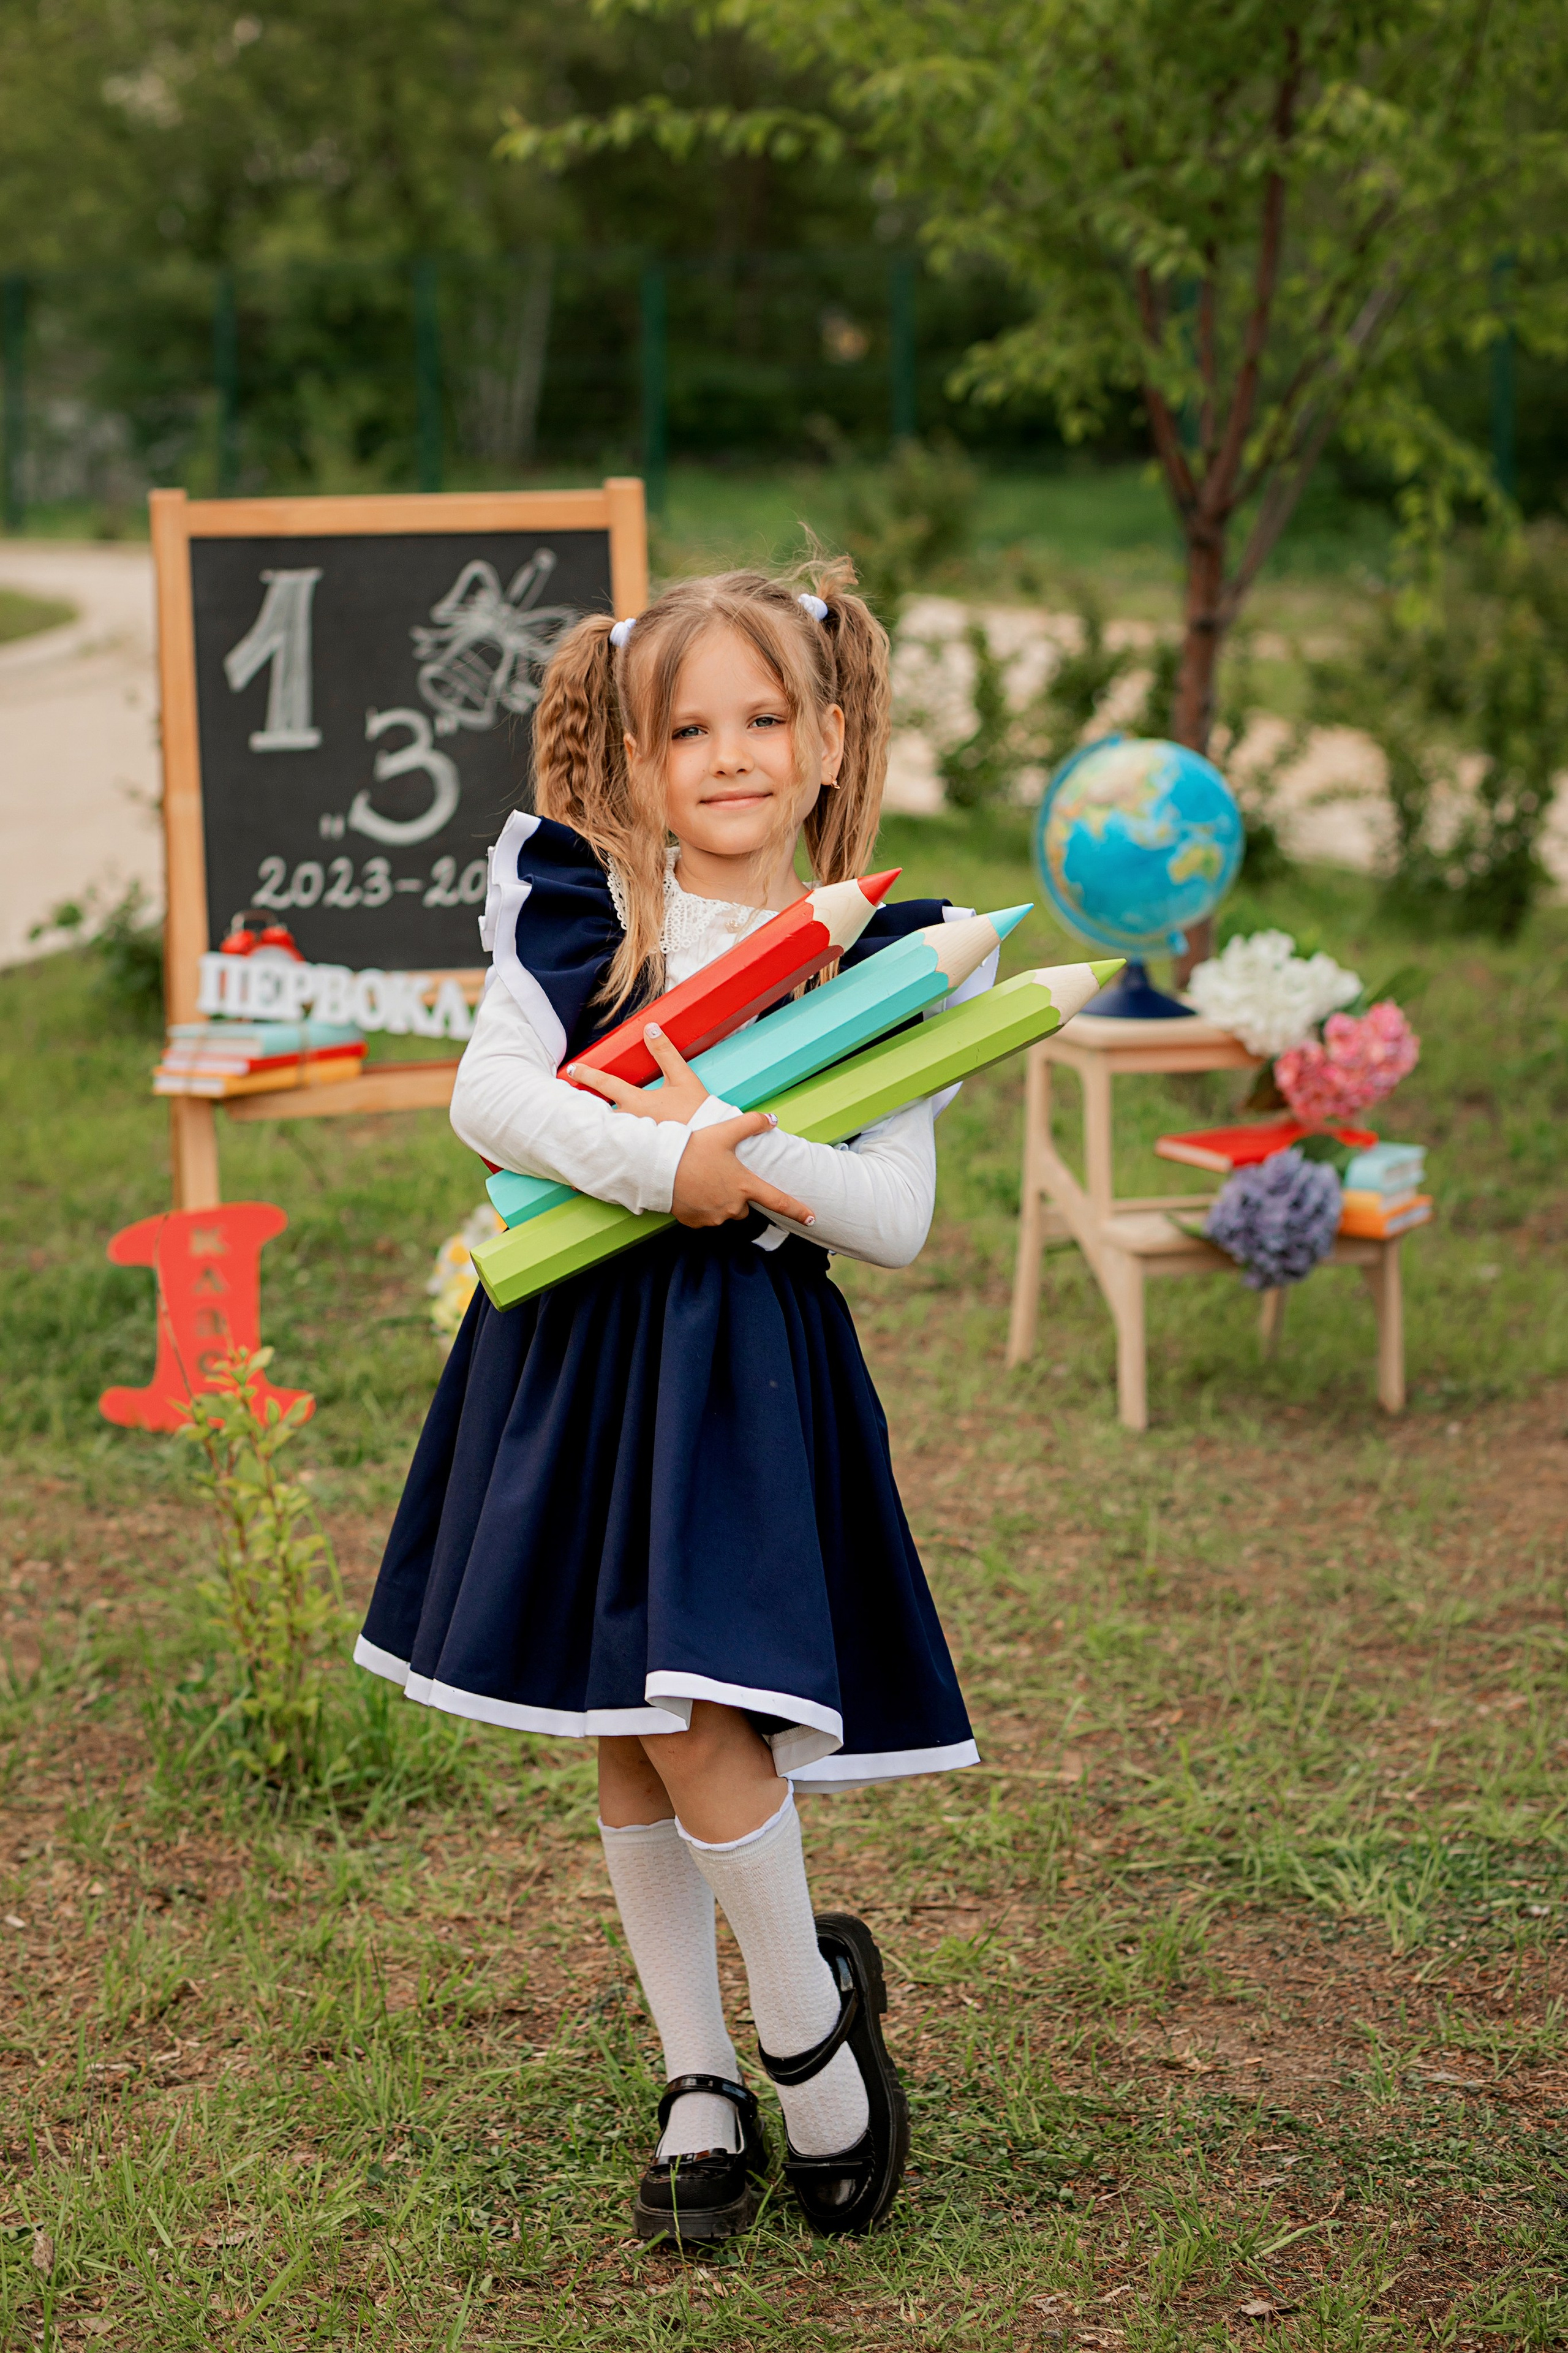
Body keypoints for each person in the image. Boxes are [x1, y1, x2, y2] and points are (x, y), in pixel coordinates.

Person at [355, 562, 987, 2246]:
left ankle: (810, 2040)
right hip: (577, 1354)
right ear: (632, 761)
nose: (728, 754)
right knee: (627, 1726)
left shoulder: (897, 954)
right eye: (686, 727)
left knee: (705, 1705)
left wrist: (752, 1155)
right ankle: (704, 2071)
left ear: (831, 735)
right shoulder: (581, 911)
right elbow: (490, 1101)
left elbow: (899, 1216)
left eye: (766, 718)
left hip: (746, 1377)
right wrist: (664, 1160)